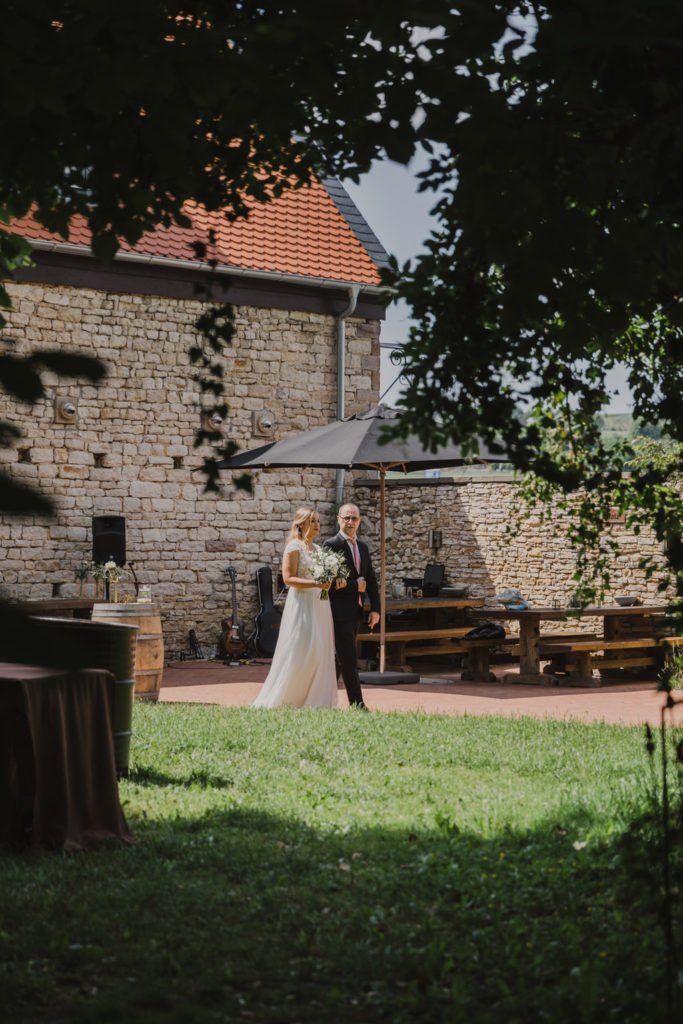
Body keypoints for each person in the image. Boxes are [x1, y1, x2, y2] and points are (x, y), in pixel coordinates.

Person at [252, 508, 340, 708]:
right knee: (302, 649)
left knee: (320, 650)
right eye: (313, 521)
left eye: (318, 521)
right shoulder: (294, 547)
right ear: (301, 524)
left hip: (320, 604)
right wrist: (316, 584)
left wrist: (330, 580)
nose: (317, 525)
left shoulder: (318, 549)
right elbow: (288, 579)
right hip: (302, 604)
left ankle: (316, 700)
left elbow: (323, 577)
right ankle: (289, 698)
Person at [324, 502, 380, 709]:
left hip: (357, 611)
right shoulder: (331, 545)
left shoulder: (363, 547)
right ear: (338, 519)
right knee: (349, 657)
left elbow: (371, 580)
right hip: (339, 611)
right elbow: (328, 582)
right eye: (346, 518)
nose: (350, 522)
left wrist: (375, 608)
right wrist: (355, 585)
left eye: (354, 518)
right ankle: (357, 704)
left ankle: (322, 697)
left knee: (342, 657)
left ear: (360, 521)